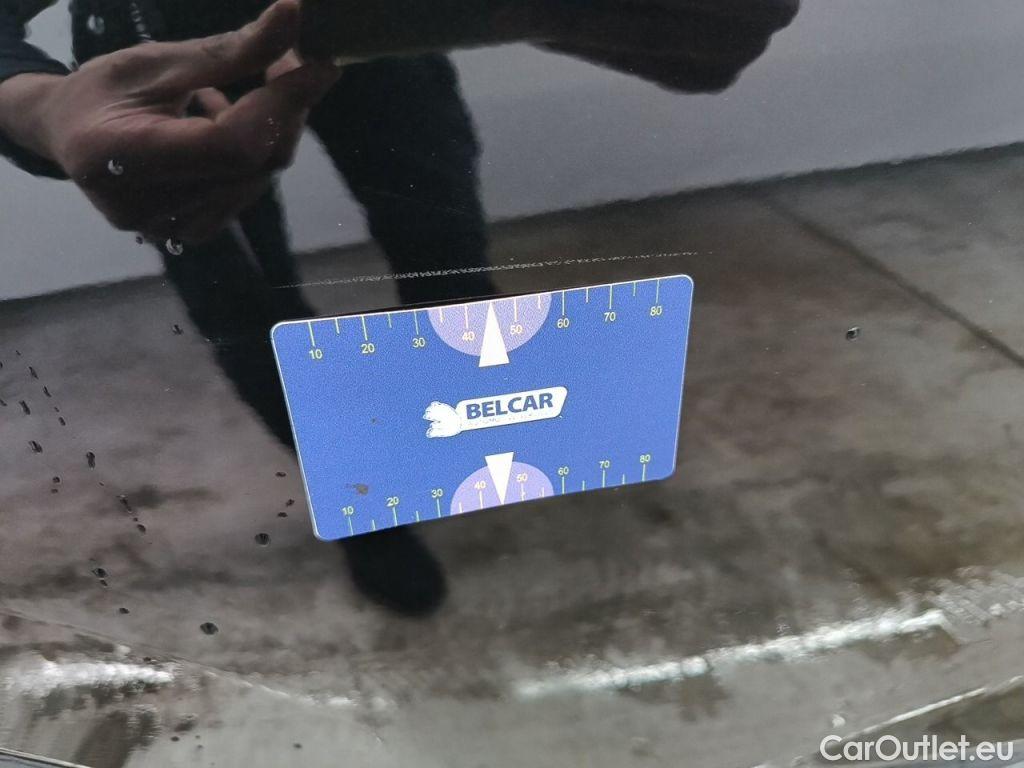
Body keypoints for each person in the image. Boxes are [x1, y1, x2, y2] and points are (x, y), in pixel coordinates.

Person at [0, 0, 797, 616]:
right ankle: (363, 501)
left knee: (446, 263)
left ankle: (434, 447)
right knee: (248, 311)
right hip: (163, 54)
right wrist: (35, 105)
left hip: (367, 30)